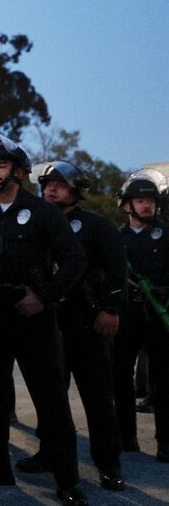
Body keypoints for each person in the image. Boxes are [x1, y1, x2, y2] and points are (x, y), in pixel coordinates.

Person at [0, 128, 89, 505]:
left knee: (51, 400)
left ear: (18, 171)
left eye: (3, 165)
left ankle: (68, 482)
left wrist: (46, 297)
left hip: (34, 316)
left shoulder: (43, 212)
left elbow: (75, 260)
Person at [13, 161, 124, 490]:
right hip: (47, 325)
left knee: (98, 397)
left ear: (76, 189)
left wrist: (111, 309)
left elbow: (116, 269)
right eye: (47, 185)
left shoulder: (96, 226)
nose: (51, 189)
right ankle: (50, 454)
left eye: (59, 185)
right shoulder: (35, 222)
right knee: (50, 399)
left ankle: (109, 463)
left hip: (87, 325)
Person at [113, 168, 169, 463]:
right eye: (140, 201)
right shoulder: (114, 237)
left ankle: (166, 441)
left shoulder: (166, 233)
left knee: (163, 377)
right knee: (120, 374)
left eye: (151, 201)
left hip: (159, 313)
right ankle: (126, 436)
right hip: (126, 312)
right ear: (127, 205)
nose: (147, 205)